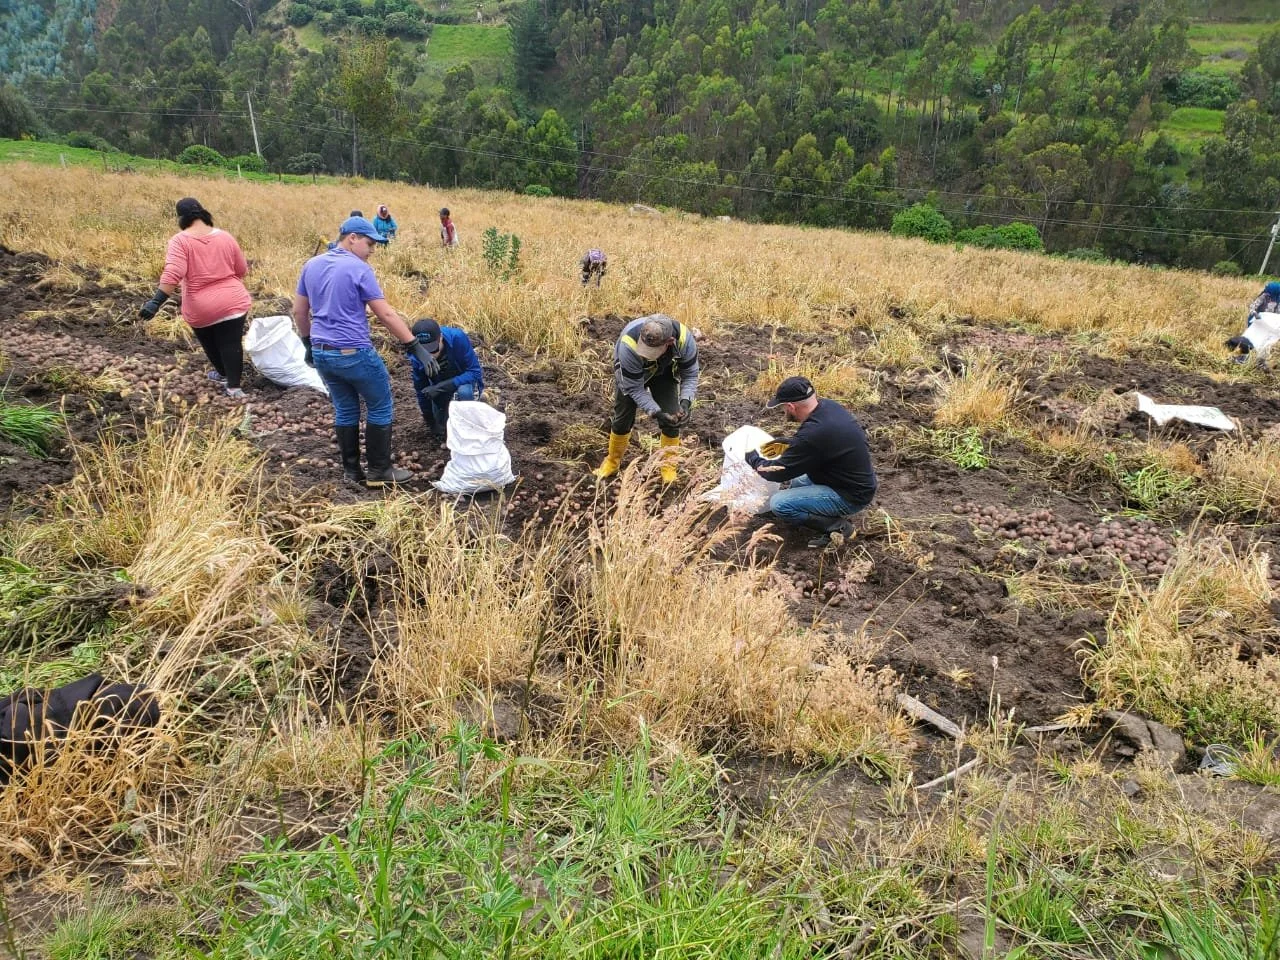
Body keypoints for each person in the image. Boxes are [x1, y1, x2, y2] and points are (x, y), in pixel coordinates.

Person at [293, 215, 438, 487]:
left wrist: (308, 344)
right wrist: (414, 345)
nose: (371, 251)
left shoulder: (310, 265)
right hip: (353, 351)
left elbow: (299, 311)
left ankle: (351, 471)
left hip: (324, 353)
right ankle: (379, 471)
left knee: (345, 409)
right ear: (352, 238)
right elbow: (384, 312)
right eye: (369, 244)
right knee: (380, 405)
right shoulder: (358, 269)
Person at [745, 376, 877, 549]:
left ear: (791, 406)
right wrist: (789, 443)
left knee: (779, 504)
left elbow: (775, 473)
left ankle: (839, 528)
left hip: (852, 496)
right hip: (852, 480)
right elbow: (821, 444)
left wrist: (753, 458)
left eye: (783, 407)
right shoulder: (829, 407)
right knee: (798, 480)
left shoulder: (814, 433)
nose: (784, 411)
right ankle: (805, 510)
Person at [139, 197, 251, 399]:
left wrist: (156, 302)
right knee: (231, 343)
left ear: (180, 218)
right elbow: (242, 270)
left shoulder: (180, 241)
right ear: (203, 212)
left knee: (210, 342)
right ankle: (234, 388)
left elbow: (174, 272)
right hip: (234, 300)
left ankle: (223, 374)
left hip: (202, 306)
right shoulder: (225, 237)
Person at [594, 314, 699, 484]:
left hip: (664, 373)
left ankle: (668, 467)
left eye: (654, 351)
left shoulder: (685, 339)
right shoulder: (629, 345)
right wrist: (655, 412)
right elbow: (634, 388)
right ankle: (612, 462)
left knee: (673, 417)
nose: (648, 354)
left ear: (670, 341)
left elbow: (690, 374)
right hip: (632, 375)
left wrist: (686, 401)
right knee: (622, 418)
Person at [407, 318, 484, 443]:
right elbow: (421, 388)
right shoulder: (415, 355)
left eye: (433, 348)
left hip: (463, 382)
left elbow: (475, 372)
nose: (429, 355)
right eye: (424, 351)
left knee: (464, 392)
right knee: (443, 427)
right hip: (438, 385)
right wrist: (430, 420)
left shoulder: (457, 338)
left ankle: (470, 425)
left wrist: (442, 387)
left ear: (441, 338)